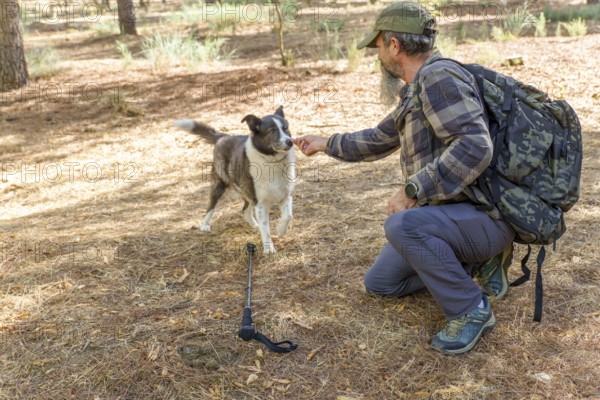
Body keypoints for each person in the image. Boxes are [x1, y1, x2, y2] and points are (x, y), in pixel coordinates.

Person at [292, 1, 515, 355]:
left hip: (485, 215)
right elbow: (378, 138)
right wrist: (324, 143)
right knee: (381, 283)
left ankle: (471, 310)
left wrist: (414, 189)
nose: (377, 54)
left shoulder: (439, 78)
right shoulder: (416, 90)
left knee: (403, 226)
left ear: (394, 45)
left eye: (378, 45)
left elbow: (475, 145)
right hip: (451, 217)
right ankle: (473, 263)